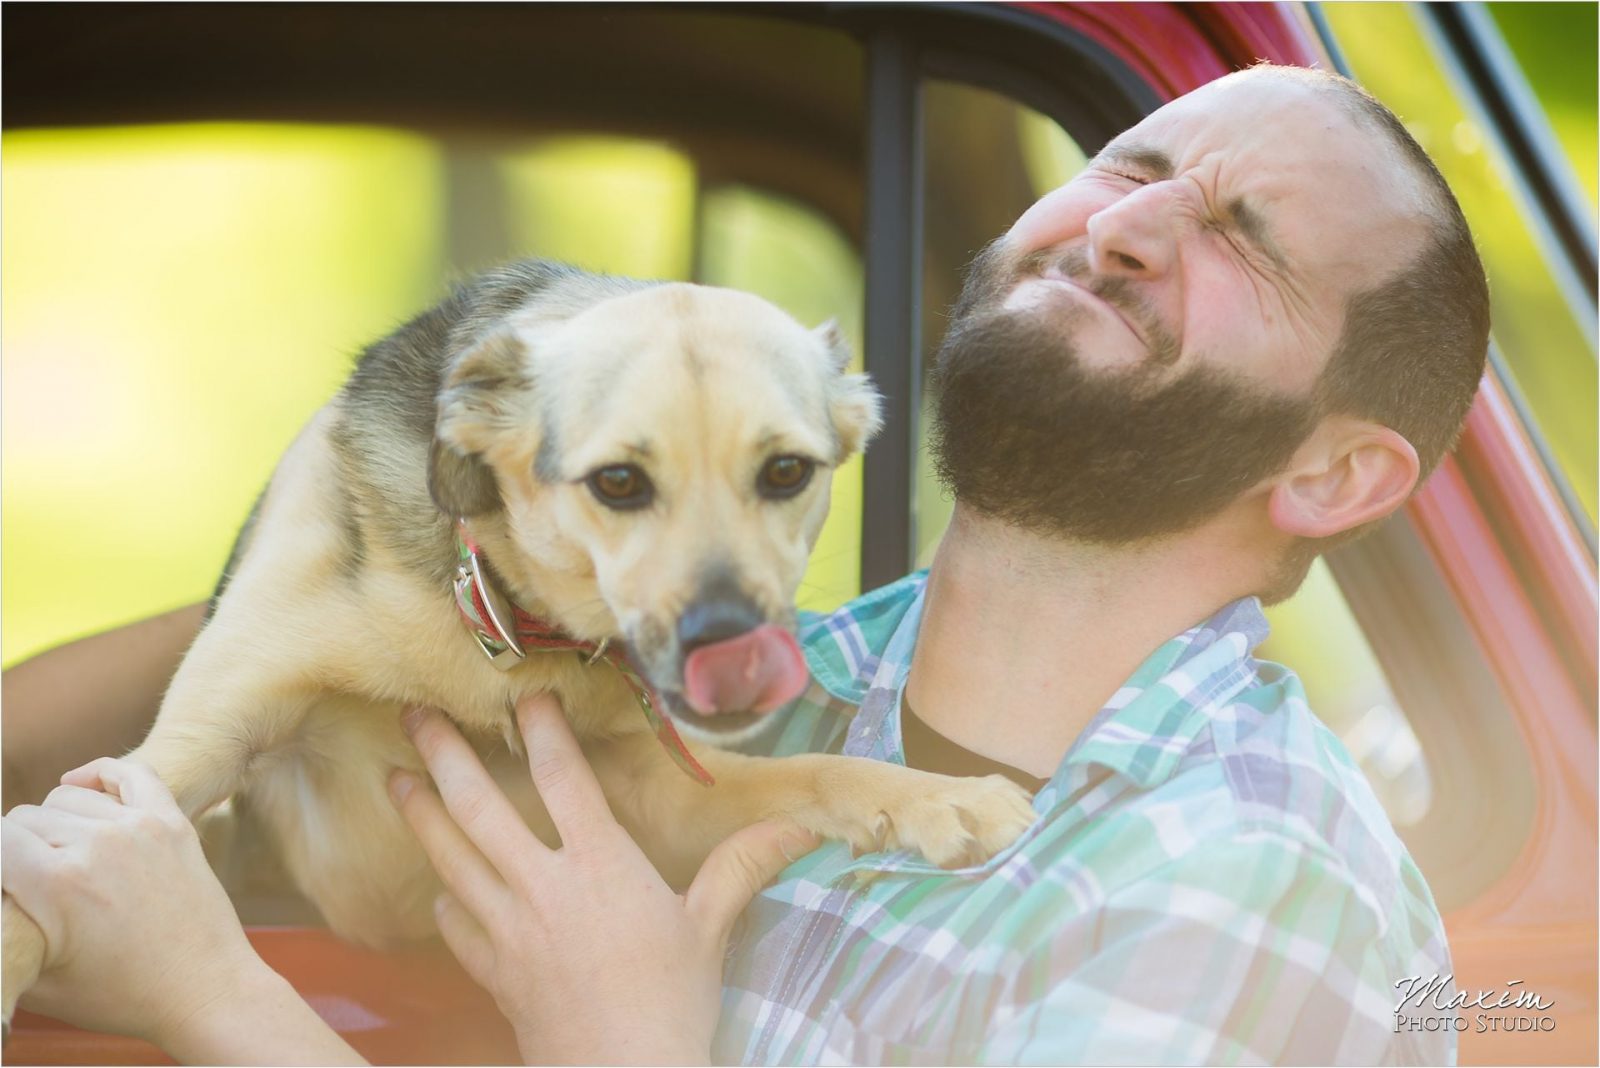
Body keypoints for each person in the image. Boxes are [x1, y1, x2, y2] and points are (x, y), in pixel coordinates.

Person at [2, 63, 1487, 1065]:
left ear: (1334, 473)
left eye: (1245, 236)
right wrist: (338, 531)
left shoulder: (1240, 878)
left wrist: (214, 1000)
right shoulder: (771, 683)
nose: (1127, 226)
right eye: (1126, 164)